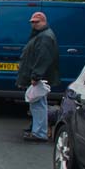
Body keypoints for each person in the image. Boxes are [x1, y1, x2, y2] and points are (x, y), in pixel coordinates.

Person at [17, 11, 59, 142]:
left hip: (40, 78)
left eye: (37, 22)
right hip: (39, 76)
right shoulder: (41, 35)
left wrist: (36, 76)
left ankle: (39, 133)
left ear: (44, 22)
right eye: (32, 22)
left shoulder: (45, 37)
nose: (34, 24)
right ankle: (37, 129)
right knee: (37, 104)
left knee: (38, 105)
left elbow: (43, 58)